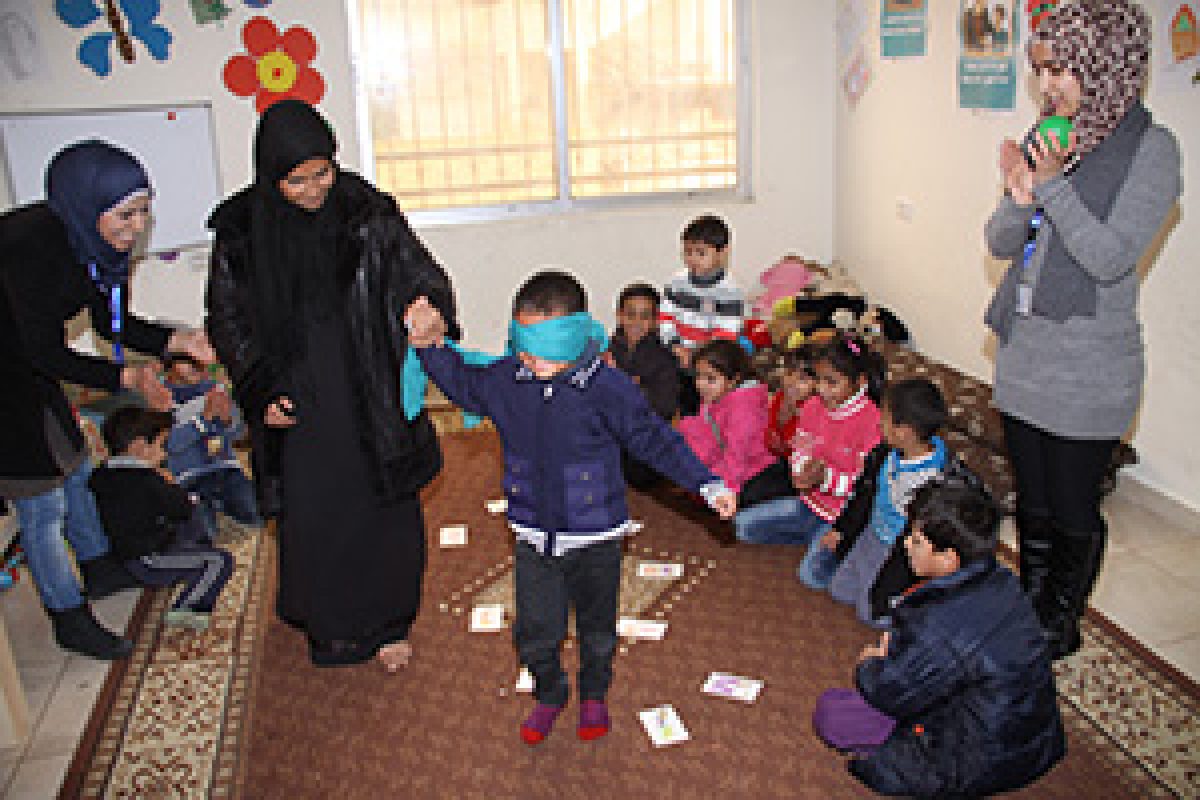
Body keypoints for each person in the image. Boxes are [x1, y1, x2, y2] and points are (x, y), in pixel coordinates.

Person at [406, 270, 736, 745]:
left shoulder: (608, 387)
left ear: (578, 335)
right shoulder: (510, 377)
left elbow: (654, 439)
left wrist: (705, 484)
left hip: (596, 535)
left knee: (598, 629)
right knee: (534, 631)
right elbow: (464, 384)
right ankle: (549, 693)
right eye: (526, 349)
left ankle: (594, 693)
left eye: (547, 353)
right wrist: (430, 345)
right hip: (533, 534)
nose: (534, 362)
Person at [204, 100, 459, 670]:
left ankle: (392, 622)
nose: (315, 188)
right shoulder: (242, 229)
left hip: (369, 385)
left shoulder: (365, 210)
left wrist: (429, 306)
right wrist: (259, 390)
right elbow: (228, 320)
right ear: (272, 176)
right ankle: (335, 628)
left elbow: (418, 270)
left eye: (324, 172)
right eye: (298, 179)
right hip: (296, 397)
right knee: (318, 514)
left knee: (384, 509)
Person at [984, 0, 1181, 659]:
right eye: (1042, 71)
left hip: (1090, 366)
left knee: (1071, 509)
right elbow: (1001, 239)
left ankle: (1059, 624)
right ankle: (1032, 606)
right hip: (1026, 352)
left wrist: (1051, 185)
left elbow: (1107, 255)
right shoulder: (1049, 132)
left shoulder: (1152, 151)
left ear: (1107, 65)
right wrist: (1020, 197)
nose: (1048, 88)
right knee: (1031, 506)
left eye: (1062, 70)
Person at [0, 140, 213, 660]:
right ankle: (68, 616)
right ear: (85, 204)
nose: (137, 227)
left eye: (144, 211)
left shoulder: (93, 246)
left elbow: (110, 325)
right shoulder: (26, 250)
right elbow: (43, 353)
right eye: (125, 215)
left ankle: (98, 569)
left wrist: (175, 342)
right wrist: (129, 379)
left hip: (27, 366)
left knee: (74, 469)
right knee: (41, 505)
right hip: (7, 378)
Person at [812, 480, 1066, 797]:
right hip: (1036, 737)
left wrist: (870, 665)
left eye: (917, 541)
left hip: (983, 756)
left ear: (948, 557)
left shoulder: (940, 628)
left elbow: (890, 692)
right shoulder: (1002, 579)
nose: (906, 544)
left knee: (833, 714)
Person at [732, 337, 883, 587]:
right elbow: (800, 448)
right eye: (820, 380)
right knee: (742, 527)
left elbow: (865, 487)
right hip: (809, 504)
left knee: (812, 577)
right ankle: (813, 537)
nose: (822, 389)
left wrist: (825, 479)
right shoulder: (813, 406)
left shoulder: (871, 422)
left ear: (860, 382)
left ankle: (842, 545)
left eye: (832, 383)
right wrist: (800, 471)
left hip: (843, 517)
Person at [88, 408, 234, 631]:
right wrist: (171, 484)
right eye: (161, 445)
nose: (164, 454)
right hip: (148, 557)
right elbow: (181, 508)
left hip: (128, 548)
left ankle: (193, 554)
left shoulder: (102, 474)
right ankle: (187, 609)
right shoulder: (147, 481)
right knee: (220, 561)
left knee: (192, 526)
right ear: (139, 447)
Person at [819, 379, 950, 624]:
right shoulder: (886, 452)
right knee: (839, 590)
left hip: (896, 551)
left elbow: (915, 542)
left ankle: (914, 606)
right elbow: (864, 492)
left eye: (885, 418)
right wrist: (843, 530)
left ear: (904, 431)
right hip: (872, 533)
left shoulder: (931, 481)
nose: (880, 422)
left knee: (870, 614)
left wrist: (890, 584)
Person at [163, 352, 261, 539]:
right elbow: (170, 445)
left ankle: (223, 509)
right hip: (189, 479)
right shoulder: (160, 398)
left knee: (258, 516)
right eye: (188, 362)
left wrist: (228, 421)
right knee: (205, 535)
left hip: (226, 470)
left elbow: (239, 434)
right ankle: (214, 511)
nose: (197, 369)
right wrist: (204, 419)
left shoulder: (215, 390)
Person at [658, 214, 745, 416]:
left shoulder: (730, 290)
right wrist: (674, 345)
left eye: (700, 253)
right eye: (688, 252)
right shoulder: (676, 283)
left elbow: (725, 334)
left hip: (710, 363)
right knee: (688, 407)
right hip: (680, 356)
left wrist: (698, 357)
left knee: (713, 409)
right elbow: (666, 317)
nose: (693, 259)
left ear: (722, 253)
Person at [676, 340, 779, 505]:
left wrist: (725, 493)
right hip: (727, 456)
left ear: (733, 379)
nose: (701, 385)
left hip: (756, 469)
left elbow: (737, 457)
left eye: (710, 379)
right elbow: (705, 431)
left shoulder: (743, 409)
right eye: (698, 376)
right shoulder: (715, 396)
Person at [607, 283, 680, 489]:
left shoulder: (664, 358)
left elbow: (664, 406)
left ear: (656, 321)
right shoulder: (608, 351)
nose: (636, 322)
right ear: (619, 315)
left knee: (638, 471)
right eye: (630, 315)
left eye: (645, 316)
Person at [764, 346, 818, 459]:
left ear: (817, 384)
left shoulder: (813, 414)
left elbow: (806, 458)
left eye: (802, 378)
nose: (792, 382)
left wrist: (784, 449)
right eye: (789, 373)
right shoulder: (779, 397)